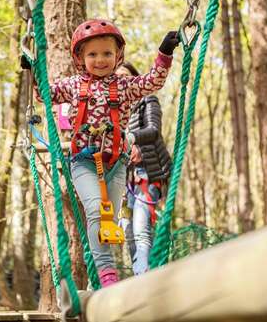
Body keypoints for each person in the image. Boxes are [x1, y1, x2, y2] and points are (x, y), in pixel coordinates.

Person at [22, 19, 180, 287]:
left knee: (111, 219)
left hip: (116, 164)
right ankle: (107, 273)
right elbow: (44, 95)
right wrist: (34, 70)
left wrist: (164, 54)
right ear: (81, 58)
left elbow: (153, 82)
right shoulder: (73, 85)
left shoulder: (125, 86)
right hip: (83, 162)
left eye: (107, 53)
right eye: (92, 54)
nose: (100, 60)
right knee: (96, 210)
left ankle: (110, 271)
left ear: (118, 56)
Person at [117, 62, 172, 276]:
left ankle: (143, 278)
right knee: (127, 230)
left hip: (147, 173)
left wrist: (130, 139)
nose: (120, 81)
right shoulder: (112, 109)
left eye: (125, 76)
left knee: (140, 228)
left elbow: (153, 130)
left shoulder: (147, 101)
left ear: (134, 79)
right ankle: (141, 273)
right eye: (116, 77)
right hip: (124, 178)